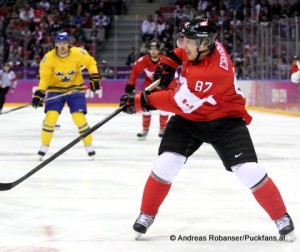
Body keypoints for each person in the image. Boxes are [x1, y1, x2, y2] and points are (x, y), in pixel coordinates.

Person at [120, 16, 295, 241]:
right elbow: (182, 52)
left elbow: (178, 102)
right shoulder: (206, 46)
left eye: (189, 42)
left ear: (204, 44)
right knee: (165, 164)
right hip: (189, 119)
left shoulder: (211, 73)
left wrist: (141, 101)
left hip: (224, 120)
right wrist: (170, 60)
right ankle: (146, 213)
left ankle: (281, 217)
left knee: (248, 170)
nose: (184, 45)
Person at [32, 32, 101, 160]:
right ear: (56, 44)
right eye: (59, 43)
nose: (62, 46)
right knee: (50, 118)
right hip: (55, 90)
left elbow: (91, 63)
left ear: (69, 43)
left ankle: (88, 145)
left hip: (75, 89)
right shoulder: (48, 58)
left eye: (65, 43)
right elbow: (45, 78)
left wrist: (94, 77)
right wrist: (39, 93)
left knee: (79, 118)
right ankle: (44, 145)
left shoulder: (78, 53)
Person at [124, 40, 177, 139]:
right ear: (148, 50)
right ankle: (145, 129)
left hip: (163, 88)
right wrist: (130, 84)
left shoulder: (166, 60)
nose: (153, 51)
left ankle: (162, 129)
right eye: (151, 49)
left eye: (155, 49)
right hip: (150, 88)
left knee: (164, 110)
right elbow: (134, 72)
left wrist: (173, 88)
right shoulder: (142, 61)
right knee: (145, 109)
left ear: (159, 51)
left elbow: (173, 76)